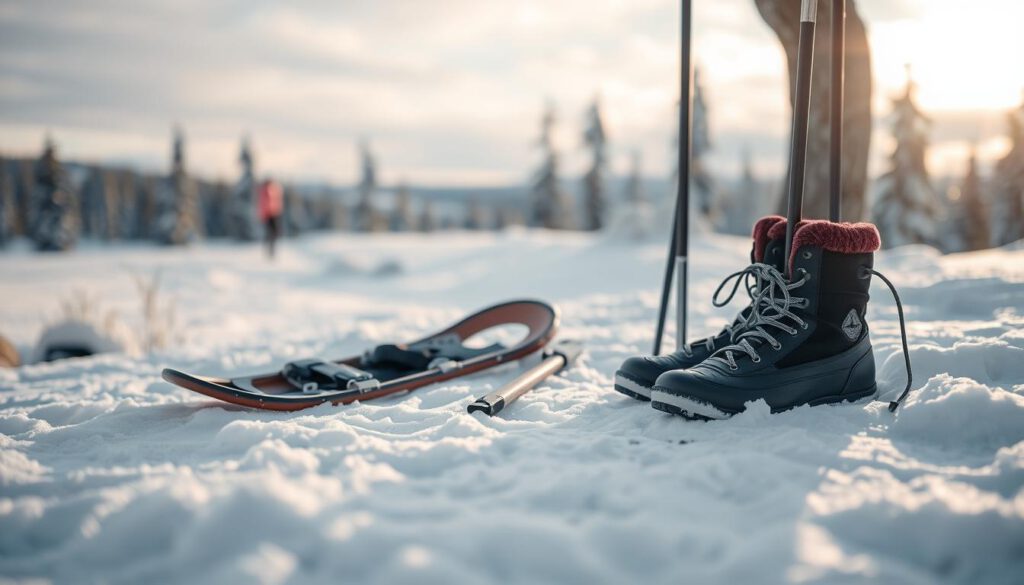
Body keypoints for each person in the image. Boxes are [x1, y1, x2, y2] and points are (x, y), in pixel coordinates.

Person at [257, 178, 283, 259]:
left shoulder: (271, 190)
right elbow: (264, 204)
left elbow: (276, 202)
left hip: (273, 214)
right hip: (270, 214)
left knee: (272, 233)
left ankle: (271, 250)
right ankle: (270, 251)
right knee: (271, 233)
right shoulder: (267, 190)